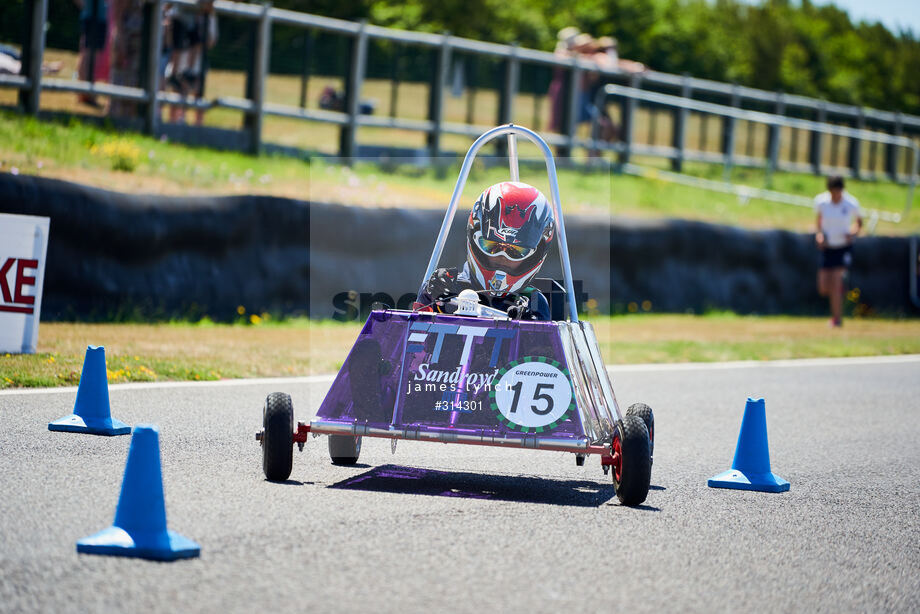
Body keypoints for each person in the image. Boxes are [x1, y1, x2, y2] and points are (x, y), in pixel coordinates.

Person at [415, 181, 555, 321]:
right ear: (475, 240)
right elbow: (413, 337)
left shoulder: (533, 303)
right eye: (492, 246)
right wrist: (431, 298)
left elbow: (540, 343)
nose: (503, 257)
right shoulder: (446, 287)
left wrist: (527, 327)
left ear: (534, 255)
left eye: (516, 251)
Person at [815, 175, 863, 327]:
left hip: (843, 247)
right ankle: (842, 290)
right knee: (823, 287)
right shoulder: (821, 202)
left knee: (835, 283)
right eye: (833, 192)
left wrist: (853, 232)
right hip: (828, 247)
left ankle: (837, 319)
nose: (835, 196)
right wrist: (819, 235)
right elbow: (819, 221)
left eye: (838, 192)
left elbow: (859, 222)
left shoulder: (851, 203)